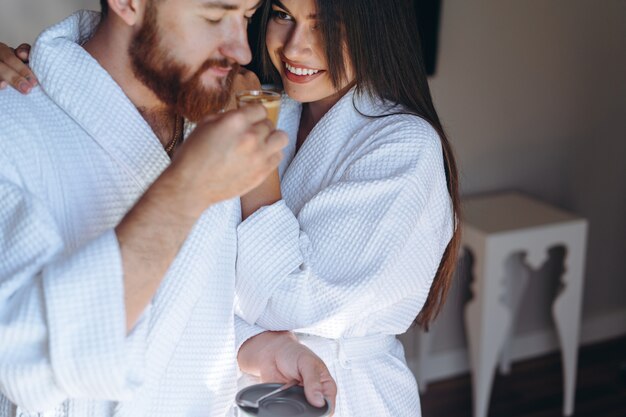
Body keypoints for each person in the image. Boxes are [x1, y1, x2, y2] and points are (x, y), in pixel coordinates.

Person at [1, 0, 460, 415]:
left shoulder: (216, 118)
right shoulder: (19, 123)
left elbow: (199, 300)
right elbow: (21, 352)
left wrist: (252, 344)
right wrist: (187, 189)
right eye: (216, 14)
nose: (244, 52)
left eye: (245, 16)